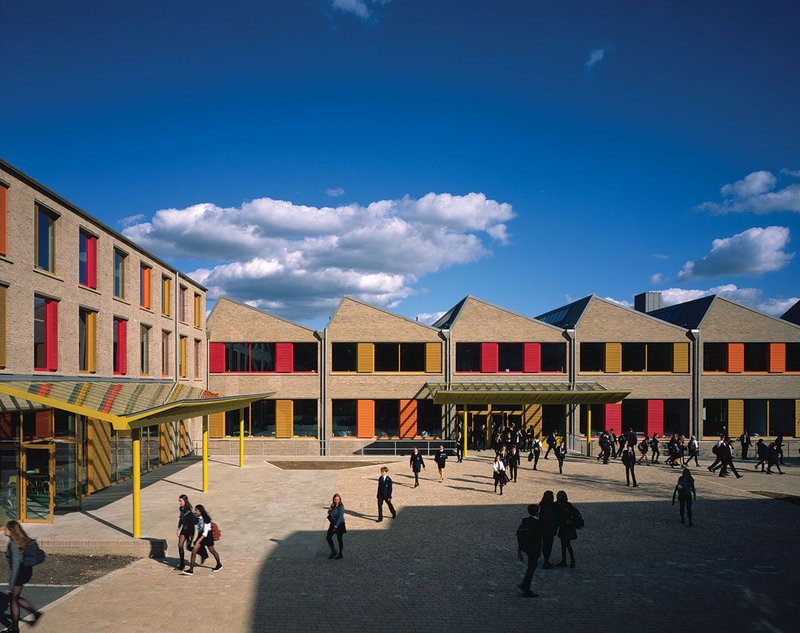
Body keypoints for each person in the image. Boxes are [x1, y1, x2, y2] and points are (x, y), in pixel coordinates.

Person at [4, 521, 42, 633]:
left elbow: (15, 565)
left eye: (6, 529)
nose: (4, 531)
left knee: (13, 599)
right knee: (15, 597)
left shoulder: (13, 544)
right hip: (26, 570)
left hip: (19, 573)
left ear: (11, 531)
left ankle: (15, 629)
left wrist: (11, 584)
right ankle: (35, 613)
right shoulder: (22, 539)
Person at [183, 504, 221, 575]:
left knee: (212, 550)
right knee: (194, 551)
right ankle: (191, 570)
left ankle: (219, 565)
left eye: (196, 510)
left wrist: (198, 541)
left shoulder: (206, 519)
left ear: (200, 511)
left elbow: (205, 533)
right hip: (201, 535)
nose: (195, 512)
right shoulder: (197, 517)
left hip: (207, 536)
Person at [516, 504, 543, 598]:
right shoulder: (537, 523)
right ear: (537, 512)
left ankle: (524, 584)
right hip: (534, 548)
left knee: (531, 566)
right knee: (531, 568)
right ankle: (526, 589)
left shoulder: (526, 520)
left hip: (527, 548)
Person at [555, 490, 579, 568]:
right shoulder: (566, 505)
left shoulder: (565, 505)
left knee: (567, 544)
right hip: (564, 527)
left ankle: (570, 560)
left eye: (559, 495)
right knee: (564, 544)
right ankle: (565, 560)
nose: (558, 497)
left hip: (567, 528)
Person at [175, 494, 196, 571]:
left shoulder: (189, 511)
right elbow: (181, 519)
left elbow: (191, 524)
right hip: (184, 529)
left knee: (189, 547)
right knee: (180, 545)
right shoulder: (181, 509)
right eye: (179, 501)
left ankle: (201, 552)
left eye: (180, 501)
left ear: (185, 501)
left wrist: (190, 535)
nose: (179, 502)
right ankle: (182, 564)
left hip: (190, 530)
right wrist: (178, 529)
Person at [538, 491, 557, 569]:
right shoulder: (553, 506)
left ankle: (546, 559)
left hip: (543, 528)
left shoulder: (541, 504)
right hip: (550, 528)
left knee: (545, 544)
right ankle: (546, 561)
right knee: (548, 545)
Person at [326, 494, 346, 559]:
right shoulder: (333, 505)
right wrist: (330, 510)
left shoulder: (341, 507)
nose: (336, 501)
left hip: (339, 525)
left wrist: (335, 526)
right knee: (328, 537)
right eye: (335, 499)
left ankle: (340, 554)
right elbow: (330, 513)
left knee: (339, 539)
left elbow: (340, 518)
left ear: (340, 499)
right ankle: (334, 551)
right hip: (333, 523)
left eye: (337, 499)